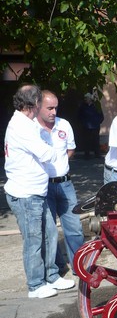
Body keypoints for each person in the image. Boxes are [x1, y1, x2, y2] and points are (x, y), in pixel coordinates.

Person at [3, 85, 75, 298]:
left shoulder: (25, 123)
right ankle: (35, 285)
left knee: (50, 233)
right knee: (34, 240)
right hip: (26, 193)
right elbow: (47, 154)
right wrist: (53, 150)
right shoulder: (21, 127)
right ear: (34, 104)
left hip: (36, 191)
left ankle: (51, 275)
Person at [37, 90, 85, 275]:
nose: (53, 112)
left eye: (56, 108)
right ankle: (55, 271)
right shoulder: (33, 128)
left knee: (74, 228)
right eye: (49, 108)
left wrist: (60, 165)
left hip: (65, 184)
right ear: (39, 107)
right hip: (44, 186)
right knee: (49, 231)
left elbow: (70, 149)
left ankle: (79, 267)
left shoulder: (64, 125)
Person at [78, 91, 104, 159]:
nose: (85, 99)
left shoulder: (96, 106)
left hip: (95, 126)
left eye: (86, 98)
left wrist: (98, 122)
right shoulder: (83, 106)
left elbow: (101, 115)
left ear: (90, 99)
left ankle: (97, 154)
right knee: (86, 141)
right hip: (86, 126)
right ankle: (87, 155)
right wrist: (83, 123)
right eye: (85, 98)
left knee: (96, 140)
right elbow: (79, 116)